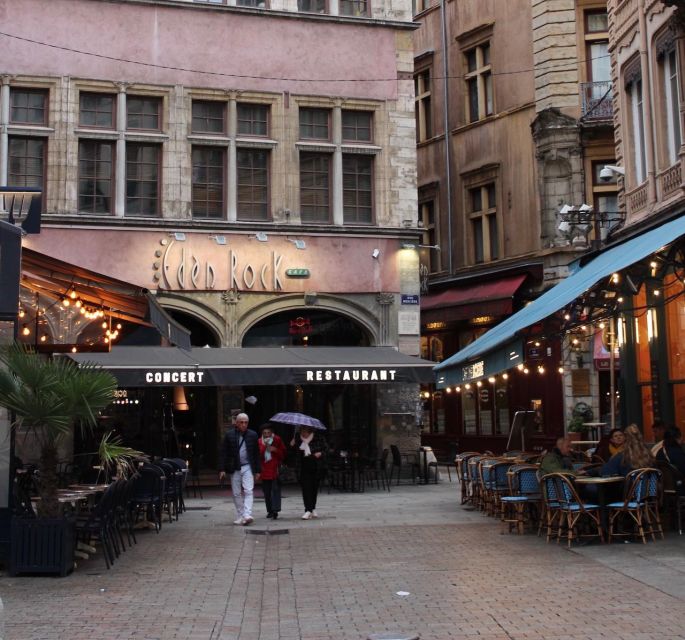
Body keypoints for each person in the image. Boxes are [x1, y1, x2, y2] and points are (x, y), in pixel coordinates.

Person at [219, 413, 261, 525]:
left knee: (248, 490)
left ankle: (247, 514)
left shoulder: (253, 435)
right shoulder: (229, 435)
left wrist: (257, 470)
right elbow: (224, 453)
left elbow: (256, 453)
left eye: (246, 422)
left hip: (248, 466)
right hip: (235, 467)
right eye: (241, 422)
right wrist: (222, 469)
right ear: (236, 423)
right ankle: (240, 514)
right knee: (236, 493)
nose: (243, 424)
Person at [291, 425, 328, 520]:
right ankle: (307, 510)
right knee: (306, 489)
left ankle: (313, 508)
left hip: (316, 467)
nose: (303, 433)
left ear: (310, 431)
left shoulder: (318, 438)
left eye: (306, 431)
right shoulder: (297, 438)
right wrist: (293, 445)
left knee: (314, 489)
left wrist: (320, 453)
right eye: (302, 431)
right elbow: (293, 454)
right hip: (303, 467)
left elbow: (326, 450)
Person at [258, 424, 286, 519]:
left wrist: (275, 450)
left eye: (268, 433)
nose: (266, 435)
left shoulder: (277, 439)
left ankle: (275, 511)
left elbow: (283, 454)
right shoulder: (259, 442)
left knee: (275, 491)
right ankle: (269, 510)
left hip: (275, 470)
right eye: (264, 433)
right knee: (266, 492)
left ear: (272, 433)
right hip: (264, 470)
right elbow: (257, 455)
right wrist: (265, 447)